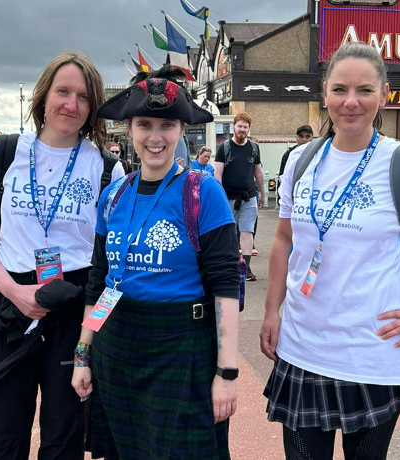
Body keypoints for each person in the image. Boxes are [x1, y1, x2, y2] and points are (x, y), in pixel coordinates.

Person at [259, 41, 400, 460]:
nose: (351, 102)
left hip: (372, 355)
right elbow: (284, 239)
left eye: (364, 90)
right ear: (324, 92)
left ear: (385, 94)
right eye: (340, 89)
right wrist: (272, 311)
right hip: (302, 348)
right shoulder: (301, 161)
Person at [71, 66, 240, 460]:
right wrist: (83, 355)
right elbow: (99, 283)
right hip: (116, 347)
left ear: (181, 130)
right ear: (129, 130)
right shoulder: (113, 195)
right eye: (145, 124)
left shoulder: (203, 192)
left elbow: (226, 286)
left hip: (182, 348)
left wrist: (226, 373)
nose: (155, 137)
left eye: (167, 124)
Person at [0, 50, 124, 460]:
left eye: (84, 97)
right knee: (1, 436)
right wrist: (16, 294)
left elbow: (114, 269)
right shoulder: (3, 154)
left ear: (93, 107)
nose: (71, 104)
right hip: (10, 301)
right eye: (63, 91)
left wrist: (95, 333)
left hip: (76, 306)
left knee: (65, 436)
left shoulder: (107, 168)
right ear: (43, 96)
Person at [214, 112, 265, 281]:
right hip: (228, 198)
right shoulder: (225, 148)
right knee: (228, 232)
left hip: (248, 197)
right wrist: (219, 196)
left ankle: (245, 268)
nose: (242, 129)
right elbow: (217, 174)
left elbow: (258, 172)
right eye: (239, 126)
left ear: (249, 129)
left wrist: (263, 194)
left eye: (245, 127)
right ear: (233, 127)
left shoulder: (254, 147)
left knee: (247, 232)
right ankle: (229, 265)